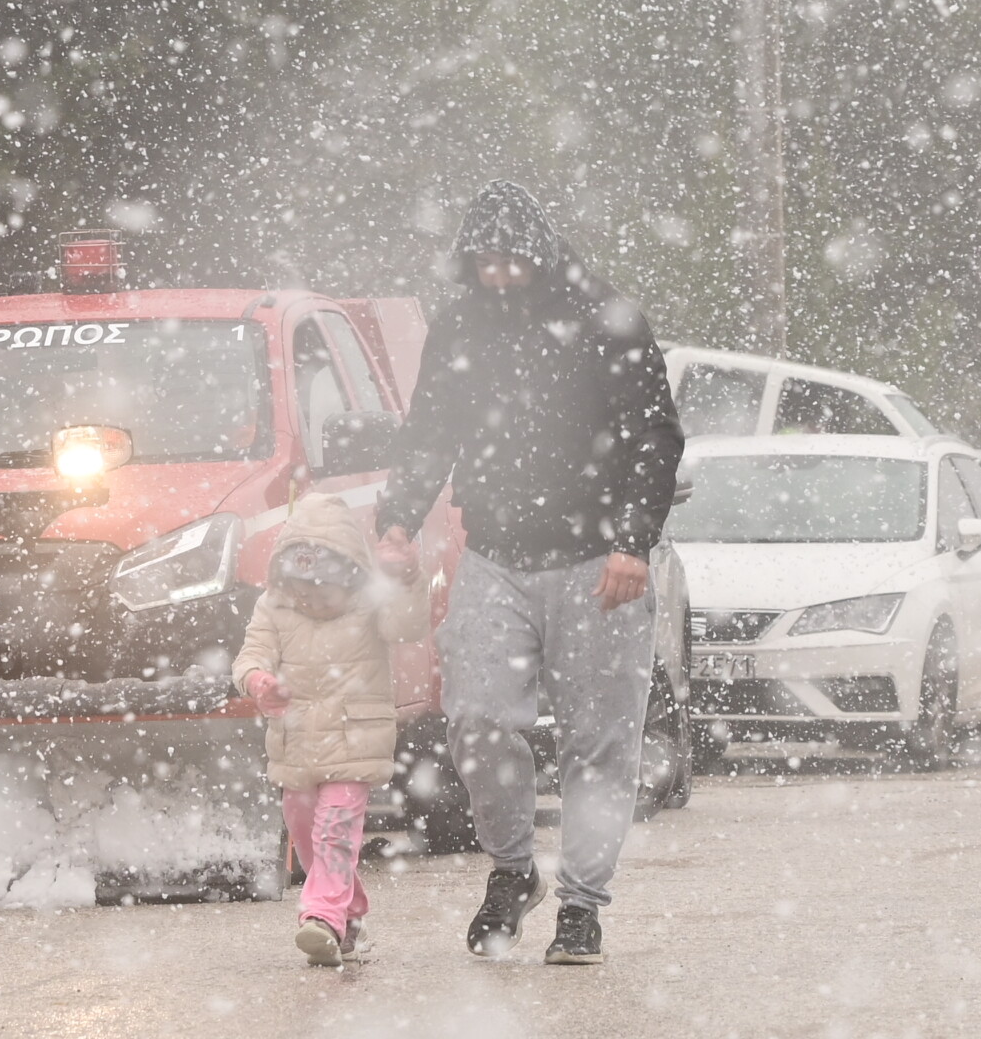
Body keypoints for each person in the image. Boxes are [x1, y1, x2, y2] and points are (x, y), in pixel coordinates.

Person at [377, 180, 684, 966]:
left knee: (599, 742)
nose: (501, 275)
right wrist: (396, 520)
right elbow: (431, 428)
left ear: (542, 254)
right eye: (486, 262)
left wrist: (631, 540)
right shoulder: (460, 328)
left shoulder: (605, 320)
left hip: (597, 563)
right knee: (476, 717)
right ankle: (513, 869)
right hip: (496, 556)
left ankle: (582, 905)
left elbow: (654, 433)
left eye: (514, 260)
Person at [230, 492, 429, 967]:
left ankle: (319, 915)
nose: (310, 599)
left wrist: (406, 579)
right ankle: (350, 912)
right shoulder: (275, 607)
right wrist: (259, 682)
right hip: (295, 744)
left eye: (322, 590)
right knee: (305, 833)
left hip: (354, 738)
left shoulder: (370, 603)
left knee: (335, 831)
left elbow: (407, 625)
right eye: (301, 589)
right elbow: (250, 656)